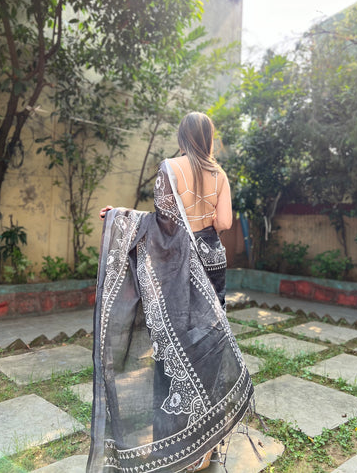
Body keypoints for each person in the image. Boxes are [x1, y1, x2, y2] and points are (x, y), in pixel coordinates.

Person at [87, 112, 256, 473]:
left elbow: (164, 222)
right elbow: (224, 223)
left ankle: (176, 442)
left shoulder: (170, 168)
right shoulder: (220, 174)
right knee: (207, 345)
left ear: (182, 136)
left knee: (173, 349)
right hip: (211, 263)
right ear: (208, 137)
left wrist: (120, 216)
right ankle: (205, 448)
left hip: (177, 267)